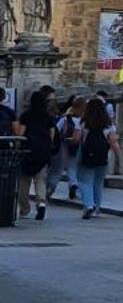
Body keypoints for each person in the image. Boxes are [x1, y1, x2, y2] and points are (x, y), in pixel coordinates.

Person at [18, 86, 60, 221]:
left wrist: (18, 145)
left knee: (24, 180)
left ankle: (24, 208)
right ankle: (41, 202)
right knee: (40, 179)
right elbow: (52, 133)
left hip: (28, 148)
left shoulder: (26, 115)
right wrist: (49, 145)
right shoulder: (47, 116)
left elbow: (20, 133)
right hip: (43, 149)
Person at [73, 98, 118, 218]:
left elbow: (76, 139)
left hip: (87, 155)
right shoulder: (109, 124)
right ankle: (97, 208)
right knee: (98, 182)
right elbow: (113, 141)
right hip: (102, 156)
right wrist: (118, 156)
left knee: (84, 181)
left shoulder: (83, 122)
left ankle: (88, 205)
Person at [53, 95, 85, 203]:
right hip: (82, 145)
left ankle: (73, 184)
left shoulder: (66, 119)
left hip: (67, 144)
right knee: (78, 167)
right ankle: (75, 185)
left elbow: (56, 129)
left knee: (70, 166)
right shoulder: (85, 120)